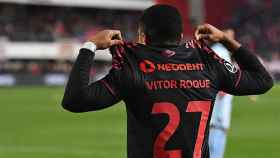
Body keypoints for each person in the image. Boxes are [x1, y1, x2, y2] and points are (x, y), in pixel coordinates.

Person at [61, 5, 273, 158]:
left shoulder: (131, 69)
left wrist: (89, 47)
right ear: (180, 35)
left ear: (142, 37)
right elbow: (263, 81)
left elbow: (74, 100)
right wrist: (226, 40)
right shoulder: (209, 65)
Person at [209, 29, 235, 158]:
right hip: (219, 107)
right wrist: (222, 88)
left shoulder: (215, 50)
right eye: (231, 36)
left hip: (214, 103)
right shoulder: (222, 52)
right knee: (217, 132)